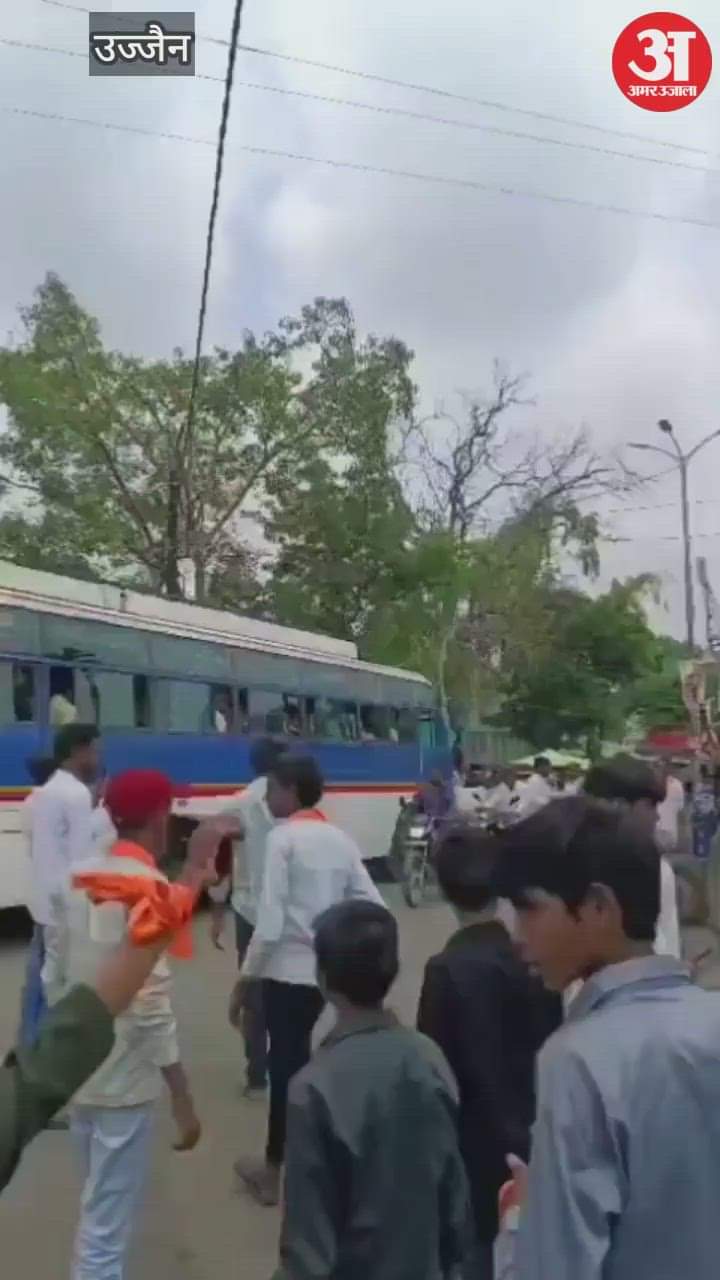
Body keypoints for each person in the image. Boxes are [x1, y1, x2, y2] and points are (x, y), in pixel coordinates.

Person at [494, 796, 720, 1280]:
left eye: (528, 909)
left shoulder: (576, 1059)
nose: (516, 934)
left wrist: (519, 1222)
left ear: (598, 908)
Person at [45, 770, 210, 1280]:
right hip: (124, 1078)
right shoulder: (149, 887)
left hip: (77, 1066)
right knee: (105, 1228)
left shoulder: (77, 876)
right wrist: (182, 1096)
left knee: (97, 1204)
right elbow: (150, 1002)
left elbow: (56, 971)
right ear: (160, 818)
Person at [275, 899, 470, 1280]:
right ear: (394, 971)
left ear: (324, 979)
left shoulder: (313, 1087)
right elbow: (453, 1196)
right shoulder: (428, 1057)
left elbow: (308, 1244)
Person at [234, 754, 385, 1207]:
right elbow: (374, 905)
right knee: (314, 1067)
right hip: (326, 976)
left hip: (285, 974)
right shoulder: (339, 839)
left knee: (287, 1072)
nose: (267, 798)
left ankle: (274, 1171)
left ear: (290, 791)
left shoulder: (283, 840)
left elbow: (270, 924)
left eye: (272, 789)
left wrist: (244, 980)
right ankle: (321, 1163)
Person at [417, 828, 561, 1279]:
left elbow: (435, 1076)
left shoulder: (445, 970)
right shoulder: (535, 957)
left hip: (473, 1149)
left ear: (443, 888)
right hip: (538, 1138)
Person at [209, 737, 287, 1098]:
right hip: (287, 912)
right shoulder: (296, 801)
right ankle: (287, 1064)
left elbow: (220, 859)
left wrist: (217, 910)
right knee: (289, 989)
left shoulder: (238, 804)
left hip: (249, 910)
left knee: (253, 991)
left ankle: (257, 1075)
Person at [20, 723, 100, 1048]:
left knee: (43, 979)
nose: (98, 757)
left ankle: (32, 1043)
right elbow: (83, 862)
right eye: (95, 750)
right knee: (63, 985)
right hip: (65, 908)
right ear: (78, 751)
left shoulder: (48, 790)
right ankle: (51, 1054)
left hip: (44, 903)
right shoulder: (76, 794)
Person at [583, 755, 680, 957]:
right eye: (650, 806)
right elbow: (667, 944)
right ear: (618, 807)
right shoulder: (656, 868)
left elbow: (666, 941)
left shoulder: (659, 867)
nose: (657, 816)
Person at [655, 763, 686, 853]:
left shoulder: (676, 785)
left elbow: (680, 809)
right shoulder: (652, 784)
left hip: (668, 829)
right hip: (658, 828)